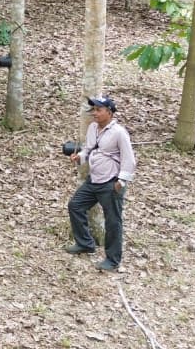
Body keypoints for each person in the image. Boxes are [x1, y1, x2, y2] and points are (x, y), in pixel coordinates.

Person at [66, 96, 137, 272]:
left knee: (113, 221)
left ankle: (112, 260)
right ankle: (85, 244)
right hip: (94, 180)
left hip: (110, 182)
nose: (95, 113)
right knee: (75, 205)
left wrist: (121, 181)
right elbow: (89, 150)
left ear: (109, 112)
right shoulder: (92, 128)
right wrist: (79, 157)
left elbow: (129, 159)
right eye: (94, 110)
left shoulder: (119, 132)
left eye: (99, 110)